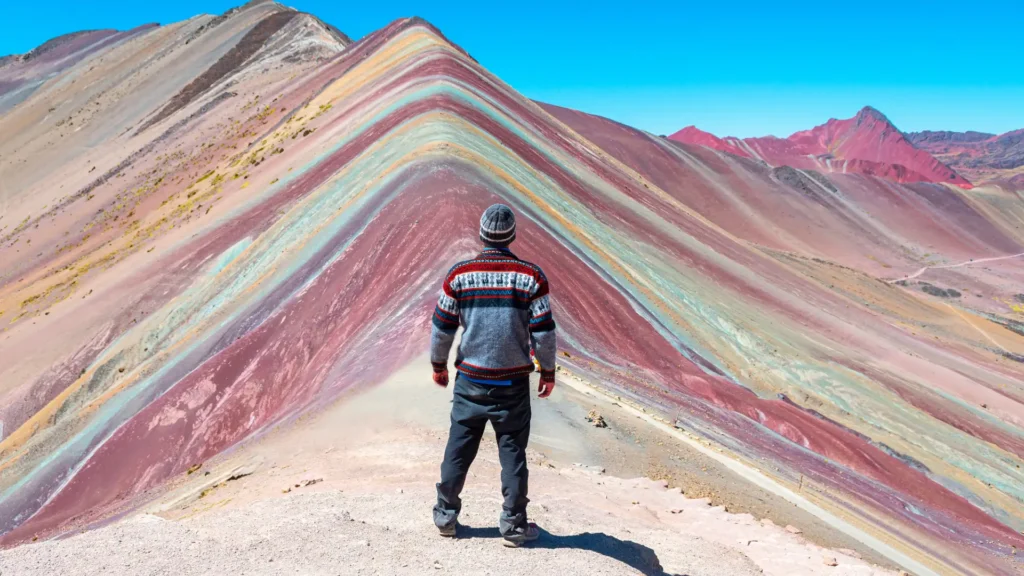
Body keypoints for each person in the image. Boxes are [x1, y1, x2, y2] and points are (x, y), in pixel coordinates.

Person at [429, 203, 557, 547]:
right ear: (511, 236)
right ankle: (514, 526)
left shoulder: (460, 275)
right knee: (513, 452)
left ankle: (446, 517)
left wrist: (438, 365)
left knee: (458, 448)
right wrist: (548, 371)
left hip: (471, 380)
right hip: (513, 383)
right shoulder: (532, 277)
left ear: (483, 235)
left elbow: (442, 327)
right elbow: (544, 332)